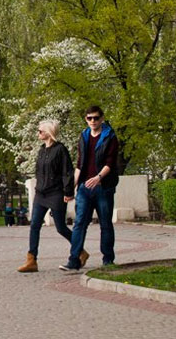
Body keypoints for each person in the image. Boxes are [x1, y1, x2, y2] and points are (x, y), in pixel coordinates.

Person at [60, 105, 120, 272]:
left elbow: (110, 163)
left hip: (103, 187)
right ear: (86, 119)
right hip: (85, 189)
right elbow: (80, 164)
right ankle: (74, 260)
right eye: (89, 118)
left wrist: (99, 177)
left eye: (95, 118)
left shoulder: (110, 137)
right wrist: (71, 188)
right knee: (79, 223)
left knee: (105, 224)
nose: (93, 121)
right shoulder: (84, 136)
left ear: (101, 119)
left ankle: (108, 259)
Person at [18, 119, 74, 272]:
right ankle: (31, 260)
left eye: (40, 131)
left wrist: (68, 192)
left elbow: (67, 172)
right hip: (41, 194)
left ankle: (79, 250)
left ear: (49, 132)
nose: (38, 134)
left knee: (61, 228)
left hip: (56, 193)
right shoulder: (42, 150)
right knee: (34, 225)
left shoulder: (60, 150)